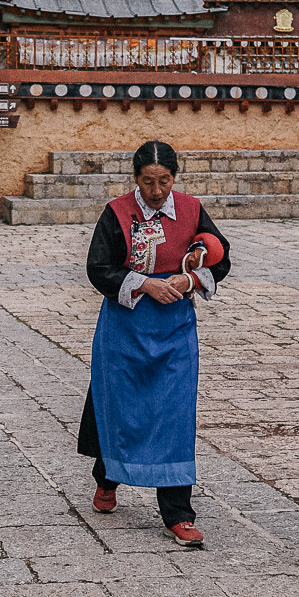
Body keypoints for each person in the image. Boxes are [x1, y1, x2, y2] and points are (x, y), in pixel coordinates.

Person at [78, 140, 231, 547]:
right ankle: (108, 478)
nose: (157, 191)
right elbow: (99, 269)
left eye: (164, 181)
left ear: (174, 178)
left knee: (173, 415)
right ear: (136, 179)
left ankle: (178, 513)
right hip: (126, 327)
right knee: (121, 407)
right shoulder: (116, 213)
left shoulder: (192, 209)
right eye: (148, 182)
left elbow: (222, 258)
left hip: (175, 328)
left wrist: (189, 279)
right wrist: (145, 284)